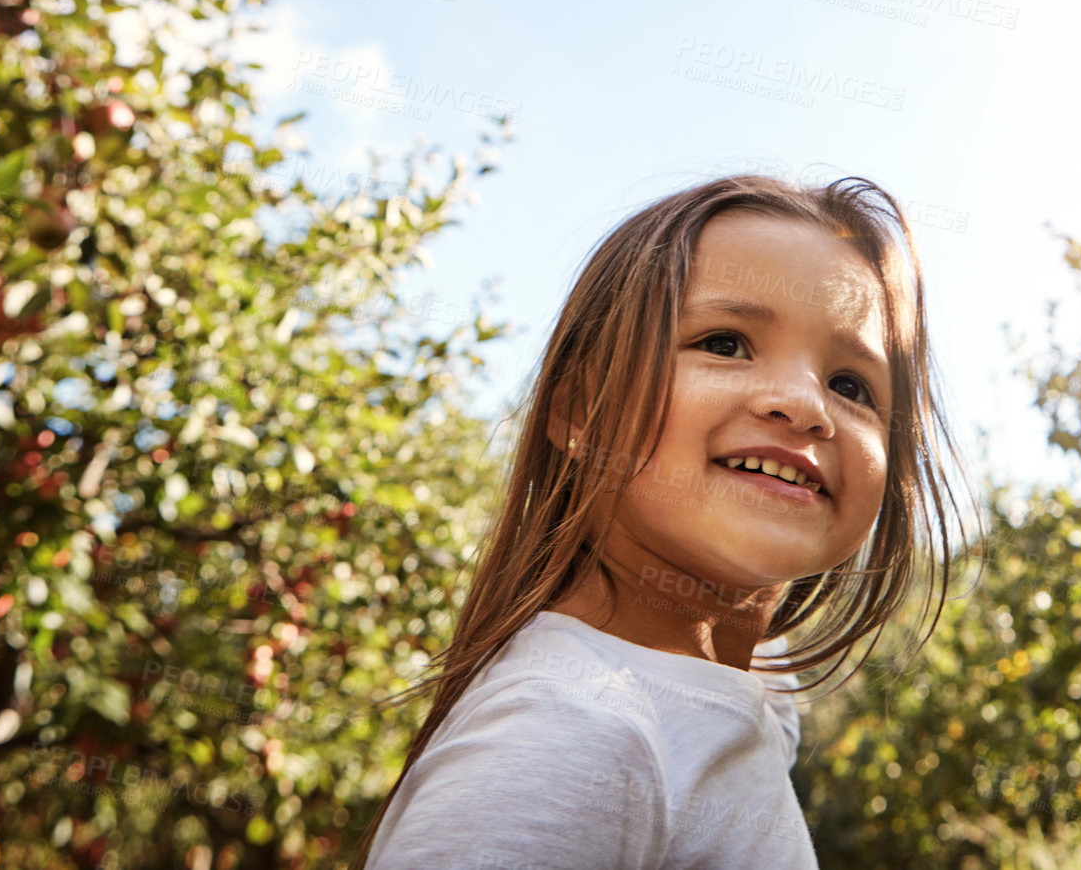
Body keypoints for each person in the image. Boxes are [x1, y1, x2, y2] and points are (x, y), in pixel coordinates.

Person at [358, 173, 968, 868]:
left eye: (851, 385)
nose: (804, 405)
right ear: (580, 411)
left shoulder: (739, 692)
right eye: (725, 343)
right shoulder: (568, 737)